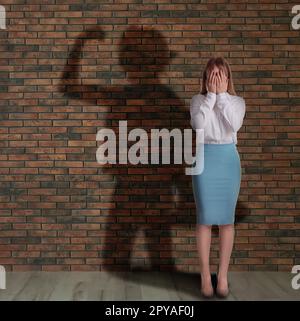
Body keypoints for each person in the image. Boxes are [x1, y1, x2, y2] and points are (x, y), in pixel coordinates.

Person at [190, 56, 246, 298]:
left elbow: (234, 125)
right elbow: (198, 125)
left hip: (228, 161)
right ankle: (205, 276)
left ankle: (222, 276)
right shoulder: (197, 100)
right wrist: (211, 96)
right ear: (205, 78)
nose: (215, 79)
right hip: (204, 159)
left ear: (227, 78)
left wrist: (222, 96)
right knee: (204, 219)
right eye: (211, 75)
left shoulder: (237, 102)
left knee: (226, 220)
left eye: (220, 75)